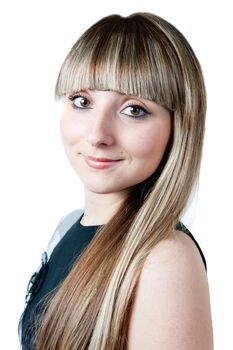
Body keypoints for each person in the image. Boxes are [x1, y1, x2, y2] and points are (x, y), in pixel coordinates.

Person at [19, 12, 213, 350]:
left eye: (134, 109)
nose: (97, 134)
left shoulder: (164, 262)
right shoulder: (66, 228)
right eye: (82, 101)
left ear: (178, 127)